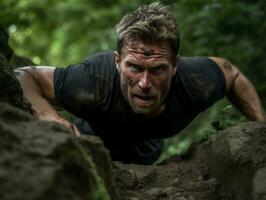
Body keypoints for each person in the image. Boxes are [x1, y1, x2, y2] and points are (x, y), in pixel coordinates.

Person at [15, 2, 265, 165]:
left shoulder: (195, 82)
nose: (144, 83)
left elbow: (231, 74)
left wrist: (261, 130)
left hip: (147, 151)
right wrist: (47, 114)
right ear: (117, 61)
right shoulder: (92, 81)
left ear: (175, 65)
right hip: (92, 141)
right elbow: (25, 75)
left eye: (157, 70)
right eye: (134, 67)